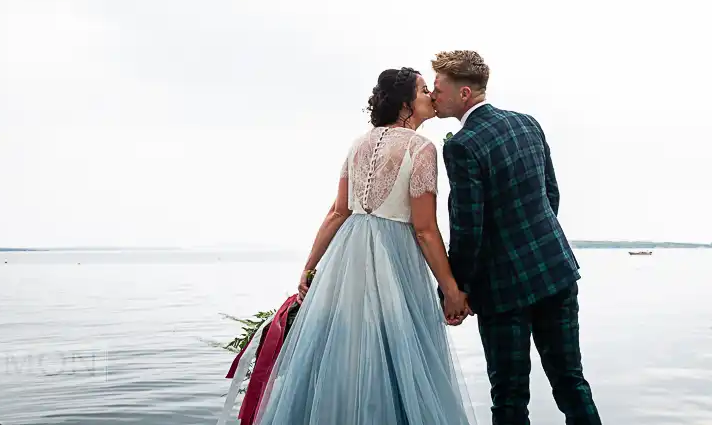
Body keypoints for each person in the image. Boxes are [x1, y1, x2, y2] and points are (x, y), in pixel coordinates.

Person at [251, 67, 477, 425]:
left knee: (349, 354)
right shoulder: (421, 148)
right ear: (406, 104)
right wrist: (450, 289)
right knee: (399, 353)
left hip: (347, 260)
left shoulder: (358, 143)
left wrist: (310, 269)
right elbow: (425, 230)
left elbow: (338, 212)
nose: (430, 96)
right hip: (396, 258)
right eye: (423, 91)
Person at [430, 50, 602, 425]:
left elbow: (467, 227)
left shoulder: (461, 145)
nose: (432, 95)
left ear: (464, 94)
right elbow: (551, 194)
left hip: (502, 289)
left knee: (508, 398)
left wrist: (456, 289)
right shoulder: (527, 123)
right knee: (572, 383)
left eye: (438, 88)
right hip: (555, 271)